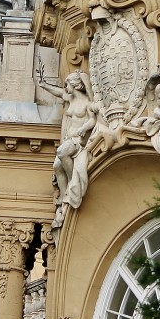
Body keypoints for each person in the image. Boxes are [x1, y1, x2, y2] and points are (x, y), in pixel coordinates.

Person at [39, 71, 98, 227]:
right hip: (69, 138)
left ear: (76, 85)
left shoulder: (87, 102)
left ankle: (73, 181)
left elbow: (93, 120)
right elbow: (59, 93)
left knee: (61, 152)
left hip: (78, 141)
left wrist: (84, 128)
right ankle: (66, 195)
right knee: (57, 166)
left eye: (67, 84)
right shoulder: (70, 99)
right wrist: (44, 85)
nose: (65, 87)